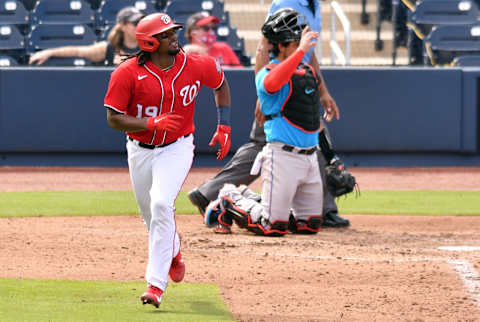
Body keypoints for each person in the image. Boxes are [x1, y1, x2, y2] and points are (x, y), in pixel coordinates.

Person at [103, 12, 232, 308]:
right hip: (139, 149)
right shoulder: (126, 73)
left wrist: (223, 126)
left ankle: (155, 285)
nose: (174, 36)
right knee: (152, 218)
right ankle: (173, 249)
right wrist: (148, 125)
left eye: (173, 31)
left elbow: (221, 84)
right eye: (166, 34)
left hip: (177, 147)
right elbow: (113, 118)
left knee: (162, 204)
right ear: (149, 42)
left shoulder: (195, 64)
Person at [188, 0, 350, 232]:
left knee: (310, 130)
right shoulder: (287, 4)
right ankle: (225, 196)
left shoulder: (314, 7)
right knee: (263, 147)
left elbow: (308, 54)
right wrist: (263, 96)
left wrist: (323, 92)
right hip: (280, 85)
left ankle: (319, 208)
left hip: (298, 79)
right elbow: (266, 44)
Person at [211, 8, 330, 236]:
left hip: (309, 157)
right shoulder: (267, 73)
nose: (300, 44)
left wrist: (330, 155)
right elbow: (274, 82)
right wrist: (302, 50)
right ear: (281, 46)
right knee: (271, 225)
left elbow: (314, 118)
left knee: (309, 224)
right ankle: (229, 197)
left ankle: (250, 197)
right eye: (295, 42)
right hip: (281, 156)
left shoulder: (306, 71)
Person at [29, 6, 143, 66]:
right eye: (135, 23)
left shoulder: (150, 47)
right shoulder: (109, 48)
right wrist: (50, 52)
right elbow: (78, 51)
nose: (140, 26)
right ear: (123, 26)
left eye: (142, 22)